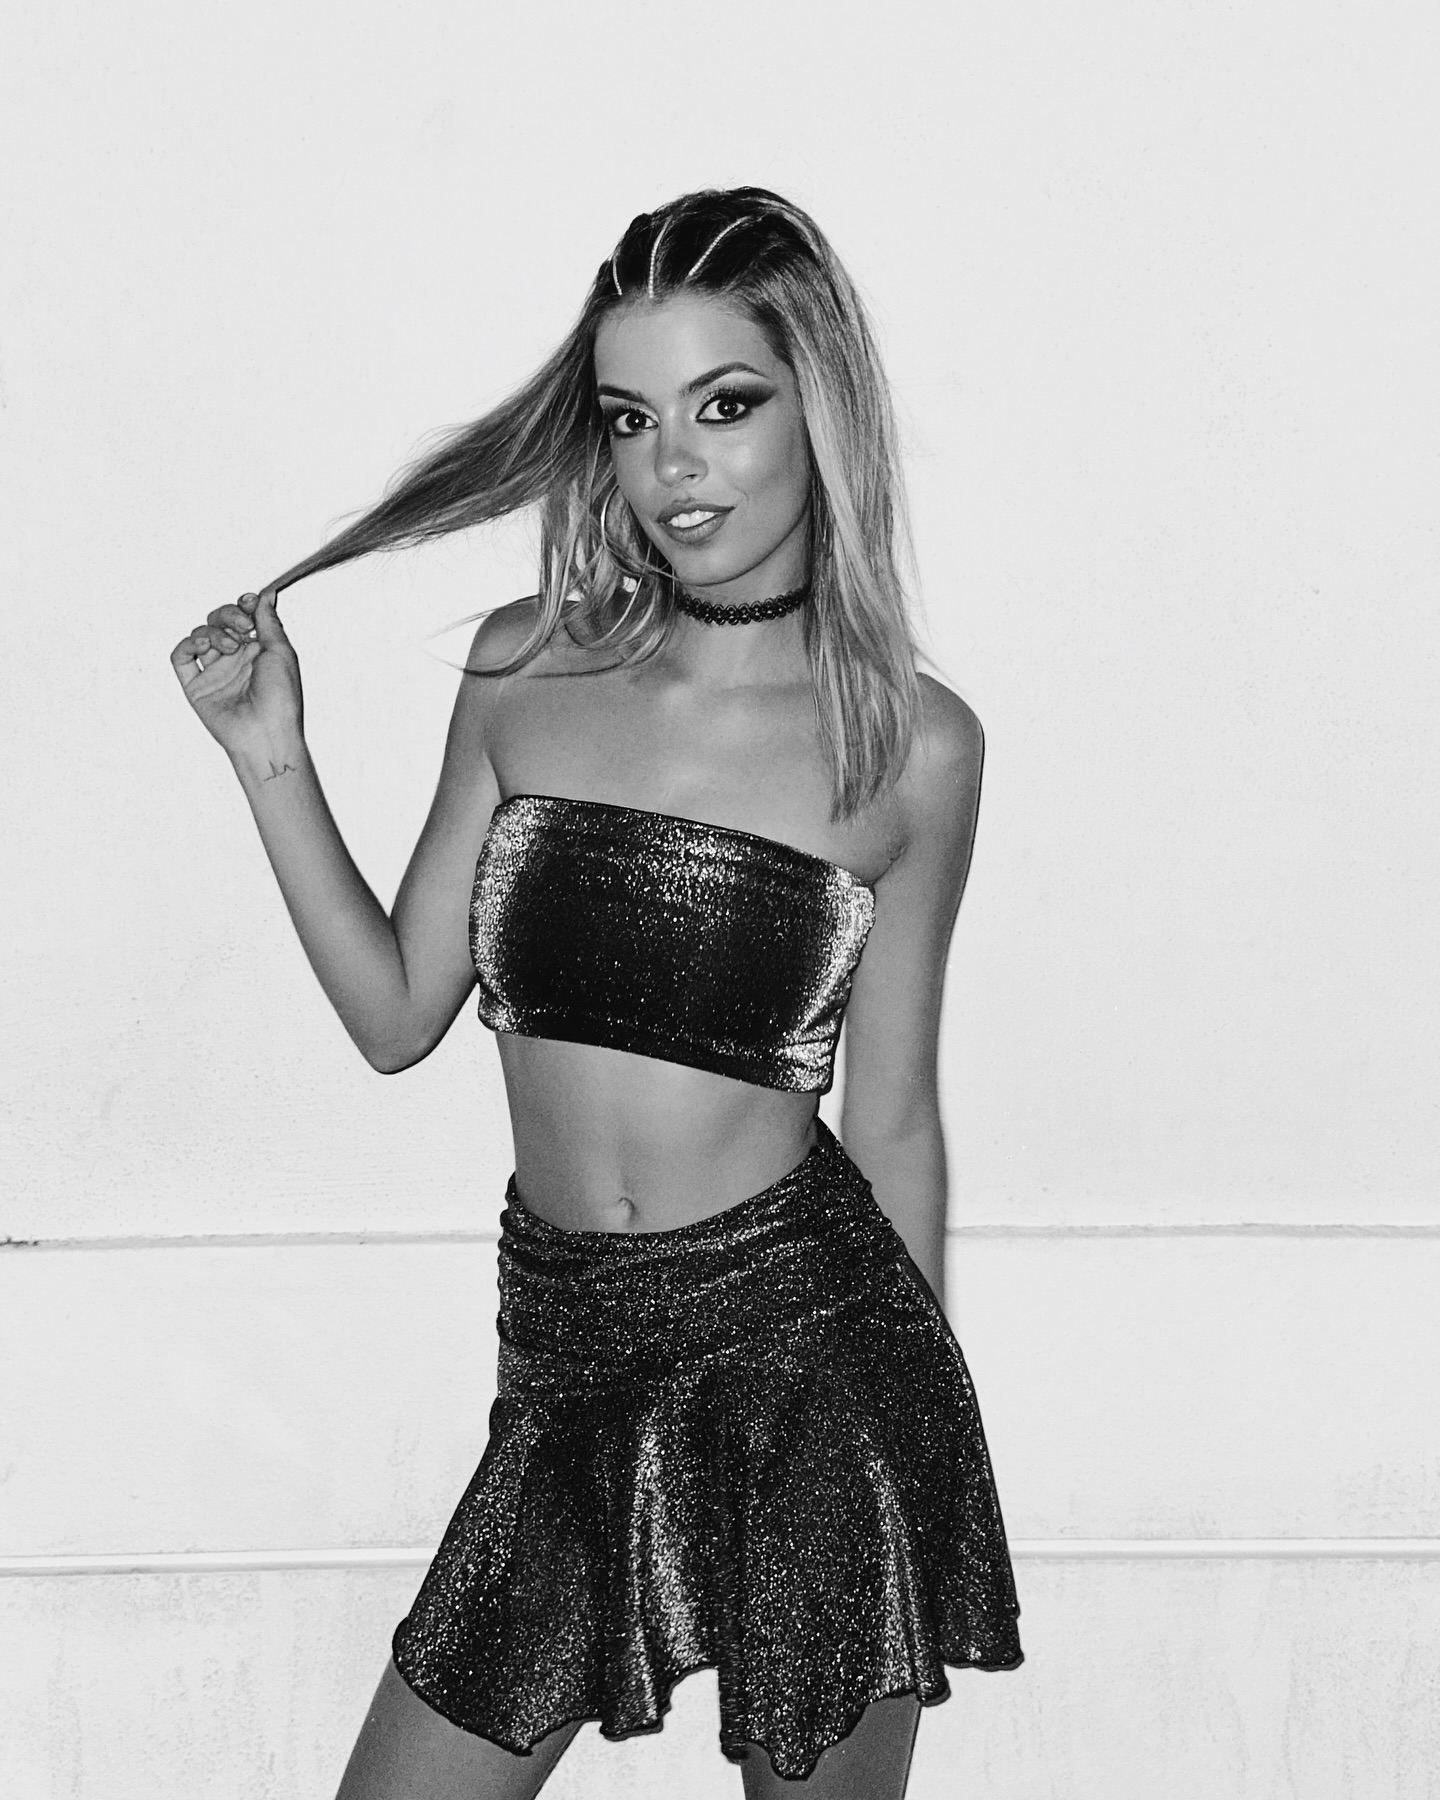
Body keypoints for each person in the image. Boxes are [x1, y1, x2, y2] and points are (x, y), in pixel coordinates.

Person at [171, 186, 1022, 1800]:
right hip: (565, 1359)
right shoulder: (526, 670)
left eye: (725, 405)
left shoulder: (912, 747)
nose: (674, 465)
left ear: (819, 412)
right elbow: (394, 1015)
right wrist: (270, 754)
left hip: (811, 1357)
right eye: (633, 419)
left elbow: (897, 1119)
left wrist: (922, 1462)